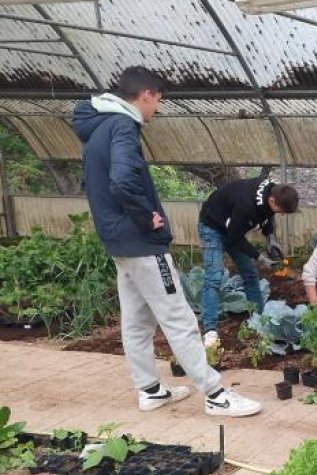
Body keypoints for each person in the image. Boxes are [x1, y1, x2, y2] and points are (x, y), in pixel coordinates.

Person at [72, 66, 262, 417]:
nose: (156, 108)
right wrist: (148, 218)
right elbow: (122, 180)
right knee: (178, 316)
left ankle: (150, 390)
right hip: (141, 241)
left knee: (136, 320)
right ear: (146, 94)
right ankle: (215, 393)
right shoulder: (123, 126)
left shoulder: (98, 128)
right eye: (158, 100)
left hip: (119, 241)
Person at [198, 176, 299, 346]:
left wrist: (270, 237)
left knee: (250, 274)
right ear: (272, 200)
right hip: (212, 226)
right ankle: (210, 330)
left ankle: (259, 320)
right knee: (214, 277)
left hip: (232, 226)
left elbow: (268, 215)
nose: (280, 214)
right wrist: (259, 257)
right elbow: (235, 237)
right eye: (281, 210)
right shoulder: (247, 206)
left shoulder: (271, 192)